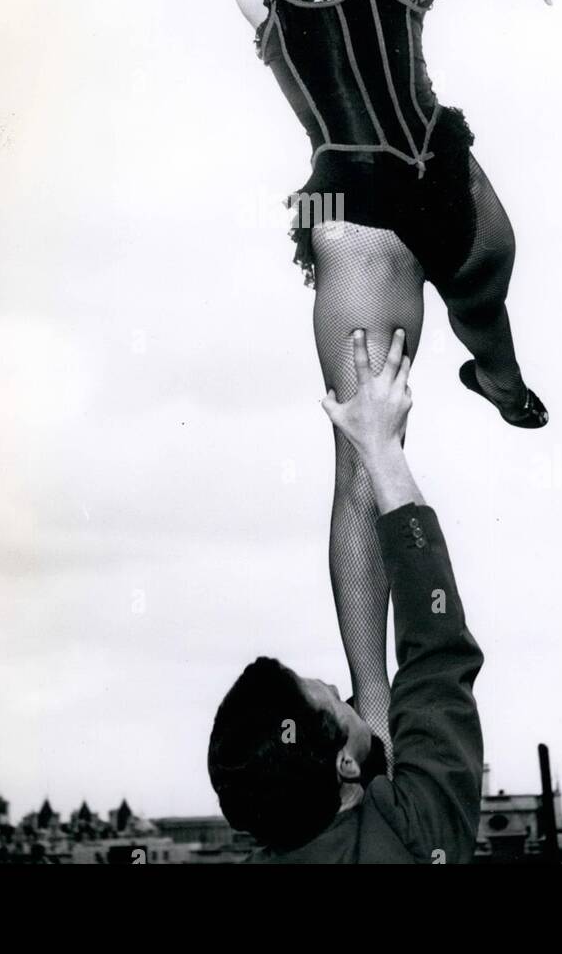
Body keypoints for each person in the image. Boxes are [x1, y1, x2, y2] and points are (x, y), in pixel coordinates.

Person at [124, 0, 548, 762]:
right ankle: (371, 693)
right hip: (352, 203)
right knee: (365, 441)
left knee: (495, 259)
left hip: (442, 168)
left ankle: (492, 358)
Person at [208, 327, 484, 863]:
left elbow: (438, 655)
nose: (340, 686)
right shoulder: (411, 839)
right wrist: (382, 450)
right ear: (345, 766)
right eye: (333, 699)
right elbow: (438, 649)